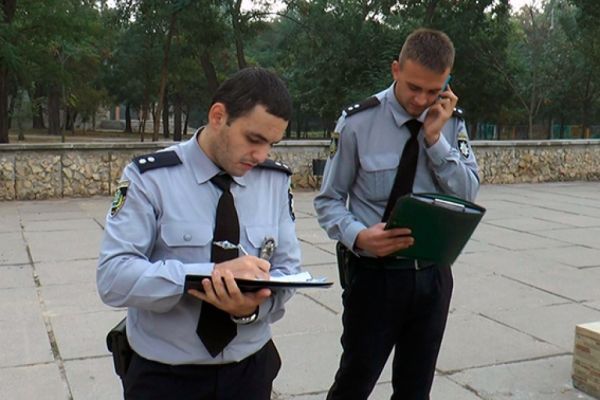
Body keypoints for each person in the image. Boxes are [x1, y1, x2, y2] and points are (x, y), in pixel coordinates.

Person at [97, 67, 301, 400]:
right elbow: (113, 277)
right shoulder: (150, 178)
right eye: (254, 139)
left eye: (271, 144)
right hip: (165, 376)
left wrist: (248, 309)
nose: (262, 155)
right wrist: (209, 276)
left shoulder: (273, 181)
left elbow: (288, 270)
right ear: (218, 116)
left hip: (249, 369)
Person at [314, 28, 480, 400]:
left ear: (447, 83)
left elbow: (468, 194)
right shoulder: (358, 123)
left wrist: (435, 140)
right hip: (375, 278)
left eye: (433, 90)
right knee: (354, 383)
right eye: (413, 87)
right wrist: (359, 236)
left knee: (415, 389)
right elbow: (328, 201)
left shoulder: (451, 122)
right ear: (395, 70)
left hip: (433, 277)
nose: (421, 100)